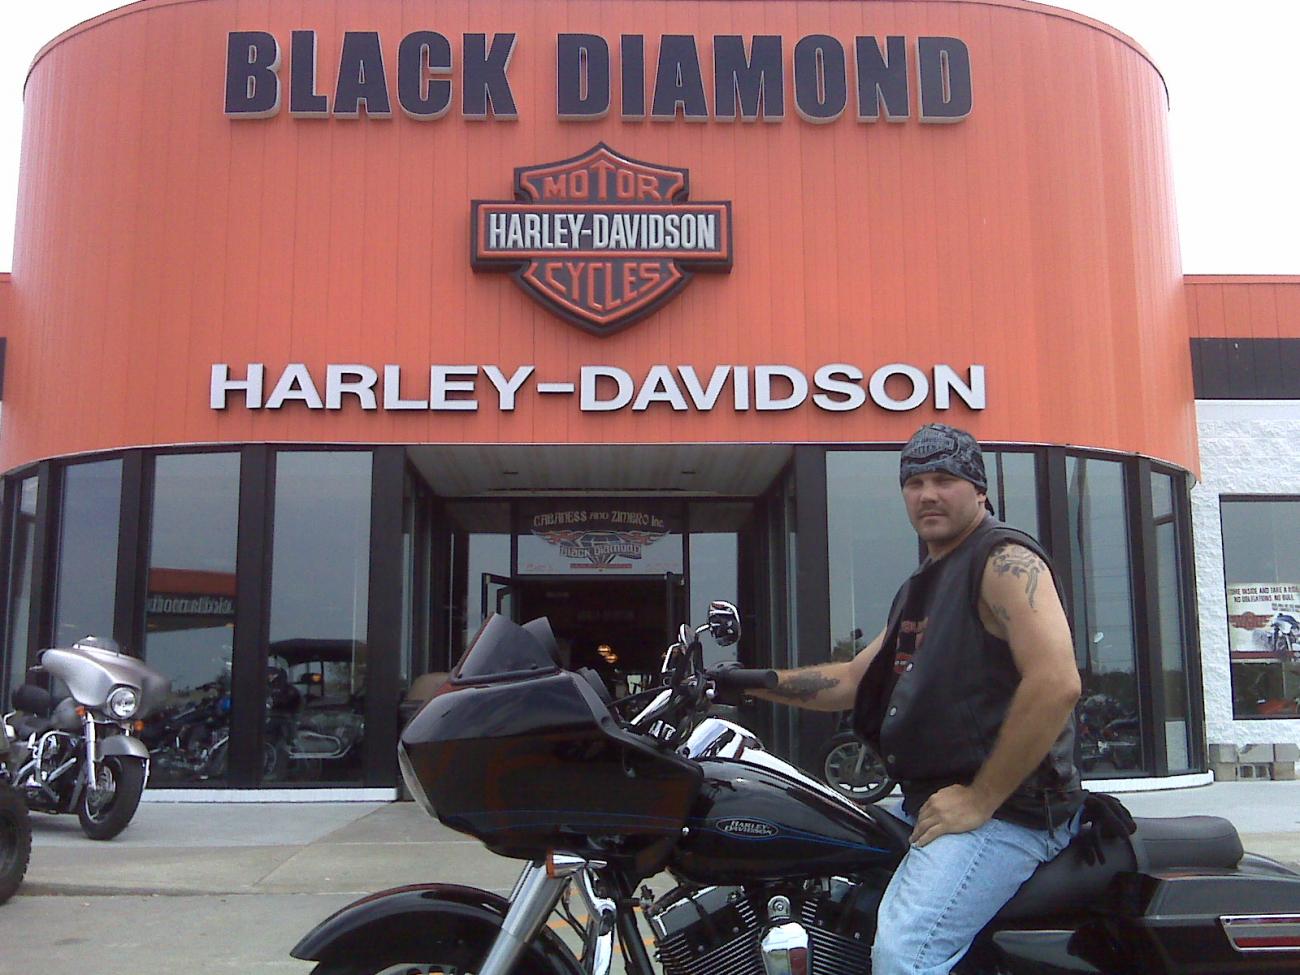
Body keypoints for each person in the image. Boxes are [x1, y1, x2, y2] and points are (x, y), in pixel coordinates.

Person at [749, 422, 1083, 975]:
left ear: (979, 490)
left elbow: (1056, 681)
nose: (928, 494)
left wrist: (980, 798)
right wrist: (743, 682)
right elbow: (853, 680)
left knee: (905, 955)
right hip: (931, 798)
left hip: (1012, 812)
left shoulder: (1002, 561)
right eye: (915, 482)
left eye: (945, 479)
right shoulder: (924, 585)